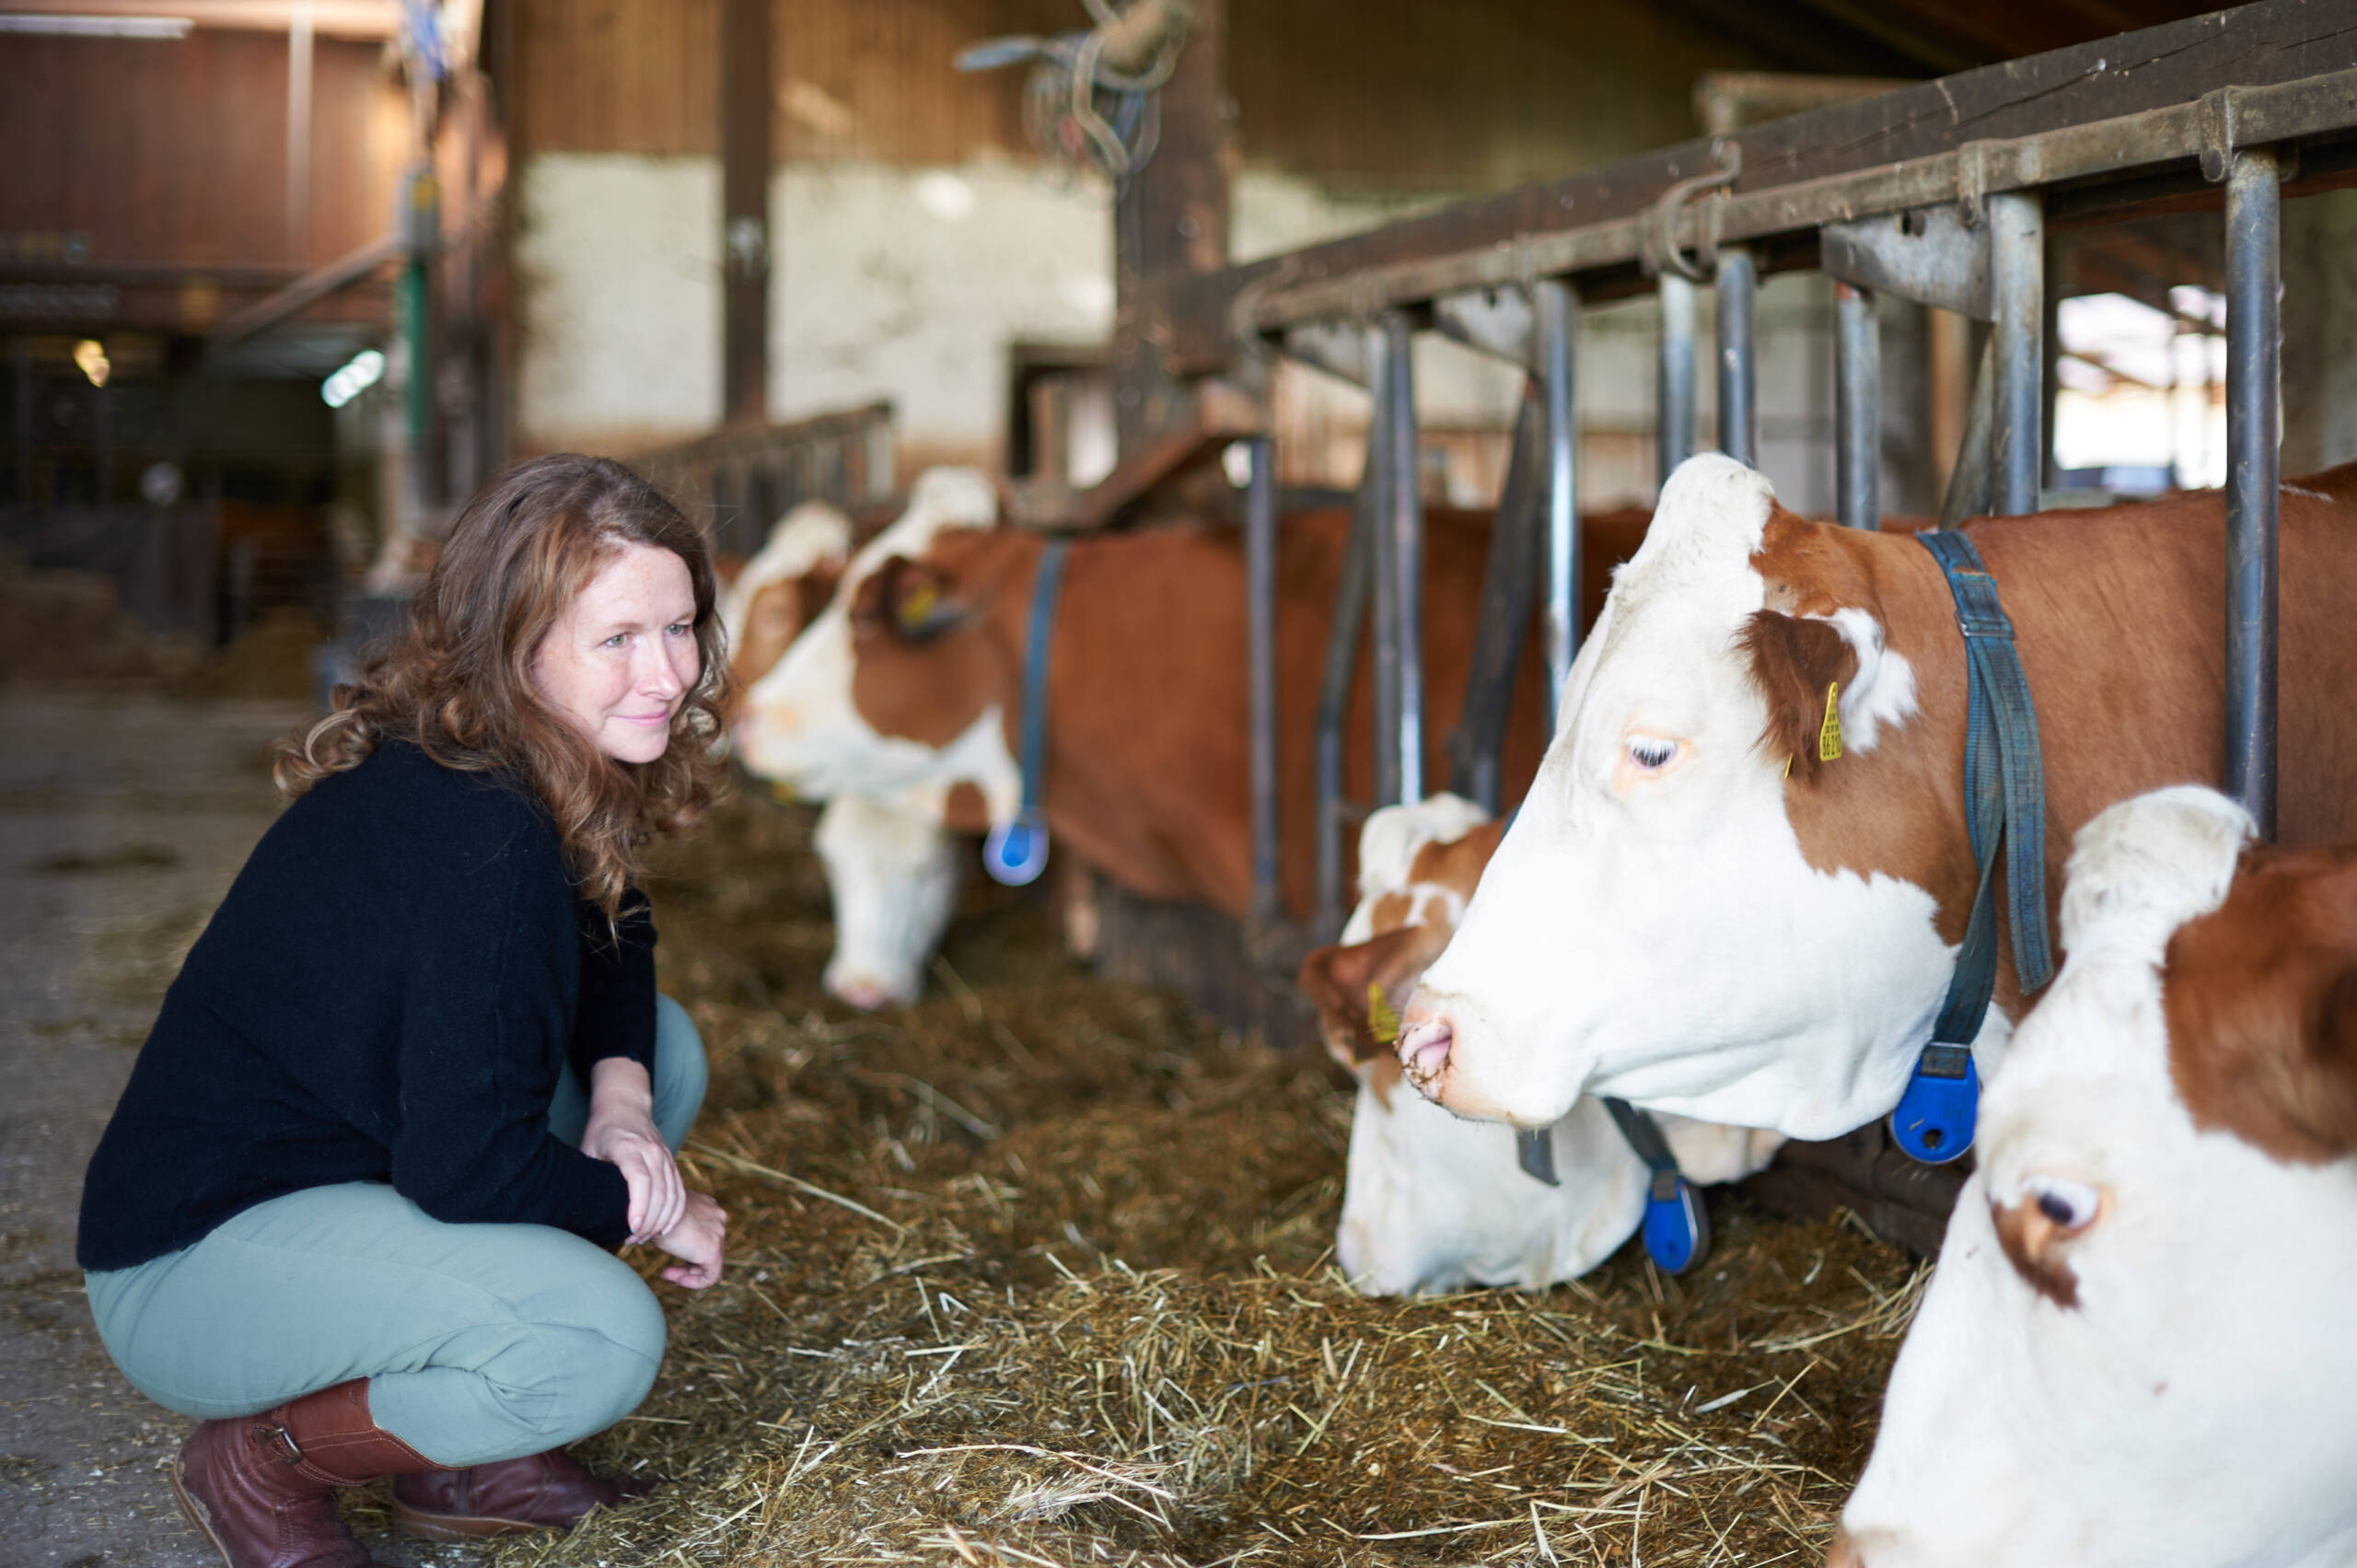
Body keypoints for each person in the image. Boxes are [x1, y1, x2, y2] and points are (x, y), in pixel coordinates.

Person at [76, 455, 732, 1567]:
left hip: (345, 1172)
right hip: (192, 1265)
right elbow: (466, 1171)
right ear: (516, 642)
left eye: (681, 628)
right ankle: (260, 1459)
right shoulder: (485, 840)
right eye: (617, 638)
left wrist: (621, 1105)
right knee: (595, 1336)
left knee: (658, 1049)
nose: (666, 673)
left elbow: (612, 921)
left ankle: (454, 1454)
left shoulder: (506, 757)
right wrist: (645, 1203)